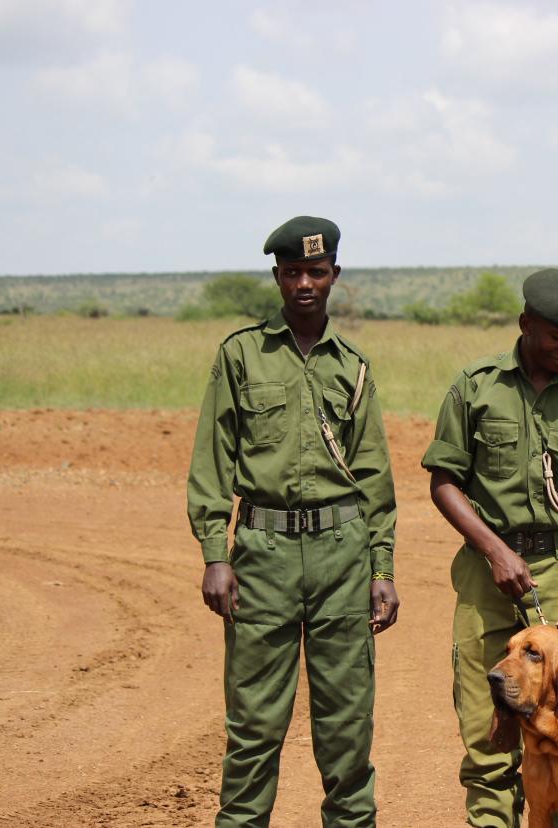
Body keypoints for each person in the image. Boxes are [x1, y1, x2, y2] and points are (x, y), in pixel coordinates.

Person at [187, 216, 398, 827]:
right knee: (252, 728)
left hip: (342, 554)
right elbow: (212, 460)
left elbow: (375, 479)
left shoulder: (353, 366)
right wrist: (215, 554)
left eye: (317, 271)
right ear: (277, 276)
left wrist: (381, 567)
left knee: (347, 730)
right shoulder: (241, 355)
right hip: (262, 555)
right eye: (293, 272)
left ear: (335, 275)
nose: (305, 283)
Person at [421, 268, 558, 828]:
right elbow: (443, 482)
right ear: (525, 323)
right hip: (487, 575)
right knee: (487, 735)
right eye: (556, 336)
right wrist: (494, 551)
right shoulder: (475, 387)